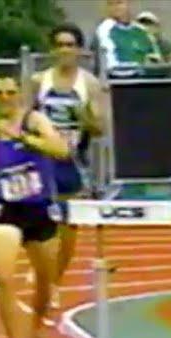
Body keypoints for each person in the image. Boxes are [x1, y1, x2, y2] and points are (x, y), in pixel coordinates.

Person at [0, 76, 70, 338]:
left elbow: (61, 150)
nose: (5, 97)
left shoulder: (36, 120)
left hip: (40, 209)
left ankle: (35, 331)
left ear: (20, 95)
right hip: (7, 210)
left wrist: (25, 139)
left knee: (44, 285)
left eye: (10, 92)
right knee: (4, 279)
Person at [30, 24, 105, 308]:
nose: (65, 50)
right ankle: (43, 275)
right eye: (60, 44)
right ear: (52, 49)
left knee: (69, 229)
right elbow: (24, 117)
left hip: (73, 161)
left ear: (79, 50)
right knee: (42, 225)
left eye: (70, 44)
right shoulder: (39, 81)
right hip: (41, 159)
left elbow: (100, 129)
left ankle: (54, 281)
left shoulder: (89, 84)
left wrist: (83, 116)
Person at [91, 0, 157, 78]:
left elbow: (154, 59)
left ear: (130, 4)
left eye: (119, 3)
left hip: (145, 80)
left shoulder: (142, 31)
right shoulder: (104, 30)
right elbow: (111, 67)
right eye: (110, 4)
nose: (115, 7)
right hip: (118, 82)